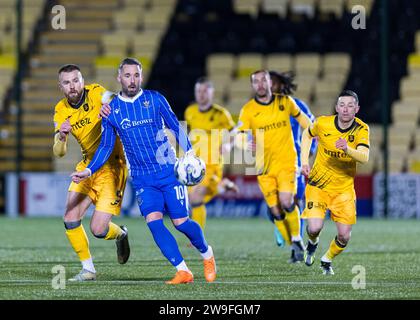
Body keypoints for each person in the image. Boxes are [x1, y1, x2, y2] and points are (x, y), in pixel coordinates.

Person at [71, 58, 217, 284]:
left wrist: (189, 153)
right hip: (142, 178)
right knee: (154, 221)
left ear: (141, 76)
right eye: (127, 75)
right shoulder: (111, 111)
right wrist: (89, 170)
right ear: (119, 78)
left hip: (169, 171)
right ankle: (183, 270)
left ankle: (207, 254)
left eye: (136, 75)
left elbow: (174, 125)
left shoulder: (155, 99)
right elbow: (107, 145)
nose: (132, 80)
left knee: (181, 223)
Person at [53, 64, 130, 282]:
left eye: (76, 80)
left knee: (98, 229)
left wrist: (111, 105)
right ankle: (89, 270)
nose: (73, 86)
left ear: (82, 80)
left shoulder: (96, 92)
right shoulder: (60, 110)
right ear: (61, 87)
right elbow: (59, 153)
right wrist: (61, 136)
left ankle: (120, 234)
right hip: (86, 167)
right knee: (70, 217)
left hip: (112, 167)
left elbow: (115, 98)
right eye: (67, 83)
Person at [235, 69, 312, 263]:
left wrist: (313, 144)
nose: (261, 85)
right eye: (256, 82)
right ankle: (289, 239)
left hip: (289, 161)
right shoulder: (249, 110)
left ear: (272, 84)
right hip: (263, 166)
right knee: (275, 210)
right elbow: (240, 134)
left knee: (291, 201)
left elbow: (309, 123)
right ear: (253, 85)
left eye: (265, 81)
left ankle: (296, 240)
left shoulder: (289, 103)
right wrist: (245, 143)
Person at [300, 90, 370, 275]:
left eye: (350, 106)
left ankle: (327, 258)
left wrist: (347, 149)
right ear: (337, 107)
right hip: (318, 186)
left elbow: (364, 157)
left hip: (344, 190)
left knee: (344, 236)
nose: (345, 109)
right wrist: (305, 161)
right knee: (314, 228)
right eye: (342, 105)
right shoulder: (323, 123)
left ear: (357, 109)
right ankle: (313, 243)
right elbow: (307, 135)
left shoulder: (362, 129)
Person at [269, 71, 317, 257]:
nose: (270, 86)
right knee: (273, 205)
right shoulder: (262, 109)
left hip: (294, 160)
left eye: (273, 83)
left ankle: (296, 246)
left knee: (295, 199)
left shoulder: (297, 106)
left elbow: (313, 129)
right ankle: (280, 224)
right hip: (271, 161)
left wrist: (310, 150)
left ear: (282, 85)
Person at [184, 77, 238, 231]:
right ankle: (222, 186)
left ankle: (197, 237)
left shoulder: (221, 114)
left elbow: (235, 134)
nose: (201, 94)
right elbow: (188, 133)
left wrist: (229, 144)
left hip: (213, 165)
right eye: (198, 91)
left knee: (196, 198)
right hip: (194, 164)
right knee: (191, 199)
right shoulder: (190, 112)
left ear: (211, 93)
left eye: (205, 91)